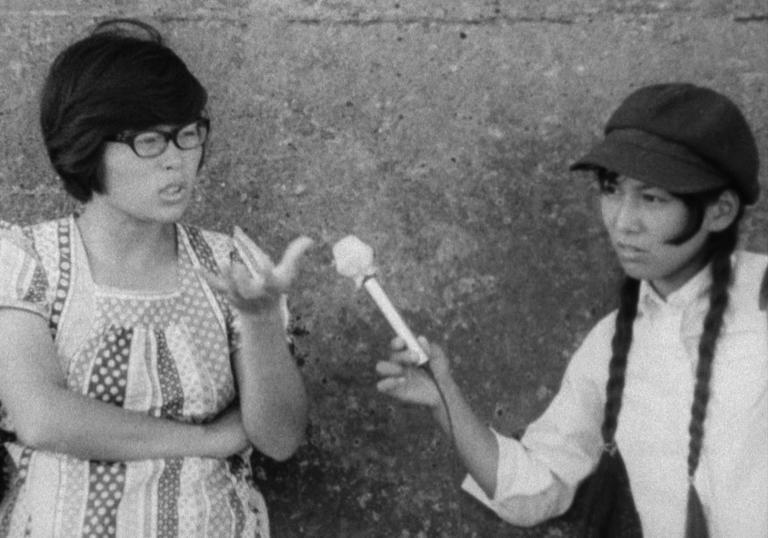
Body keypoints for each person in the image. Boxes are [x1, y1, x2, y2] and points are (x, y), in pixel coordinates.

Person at [375, 83, 767, 537]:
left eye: (652, 198)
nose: (623, 221)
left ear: (719, 211)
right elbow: (534, 493)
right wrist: (444, 398)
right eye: (612, 190)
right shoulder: (611, 345)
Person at [0, 19, 311, 537]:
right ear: (85, 146)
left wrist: (259, 324)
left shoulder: (228, 265)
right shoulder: (28, 262)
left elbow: (279, 438)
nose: (178, 161)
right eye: (150, 140)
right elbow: (42, 418)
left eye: (188, 135)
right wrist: (210, 440)